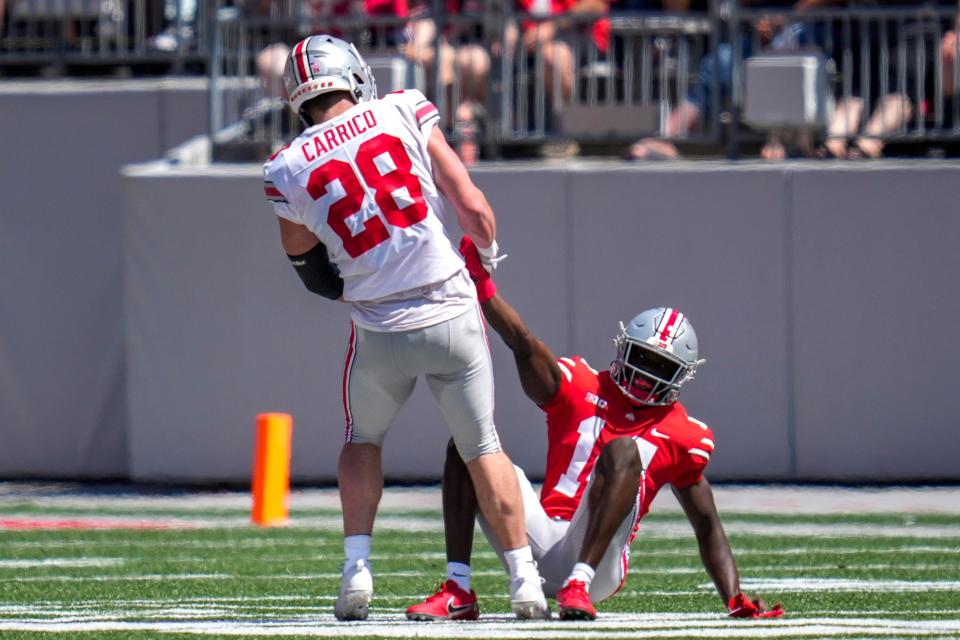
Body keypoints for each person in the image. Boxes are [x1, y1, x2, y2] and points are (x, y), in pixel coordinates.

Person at [261, 35, 548, 621]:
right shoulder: (402, 108)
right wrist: (487, 255)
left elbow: (308, 269)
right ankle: (524, 582)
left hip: (378, 326)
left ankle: (357, 570)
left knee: (363, 439)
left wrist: (359, 281)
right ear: (351, 75)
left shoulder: (286, 167)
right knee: (482, 444)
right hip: (450, 311)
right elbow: (470, 204)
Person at [406, 238, 784, 621]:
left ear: (680, 377)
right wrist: (484, 288)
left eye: (660, 367)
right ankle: (458, 587)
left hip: (598, 566)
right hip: (533, 538)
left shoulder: (686, 435)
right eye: (640, 357)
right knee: (468, 446)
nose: (644, 374)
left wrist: (734, 597)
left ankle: (578, 584)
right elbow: (522, 343)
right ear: (623, 349)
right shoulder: (580, 385)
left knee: (623, 451)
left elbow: (707, 524)